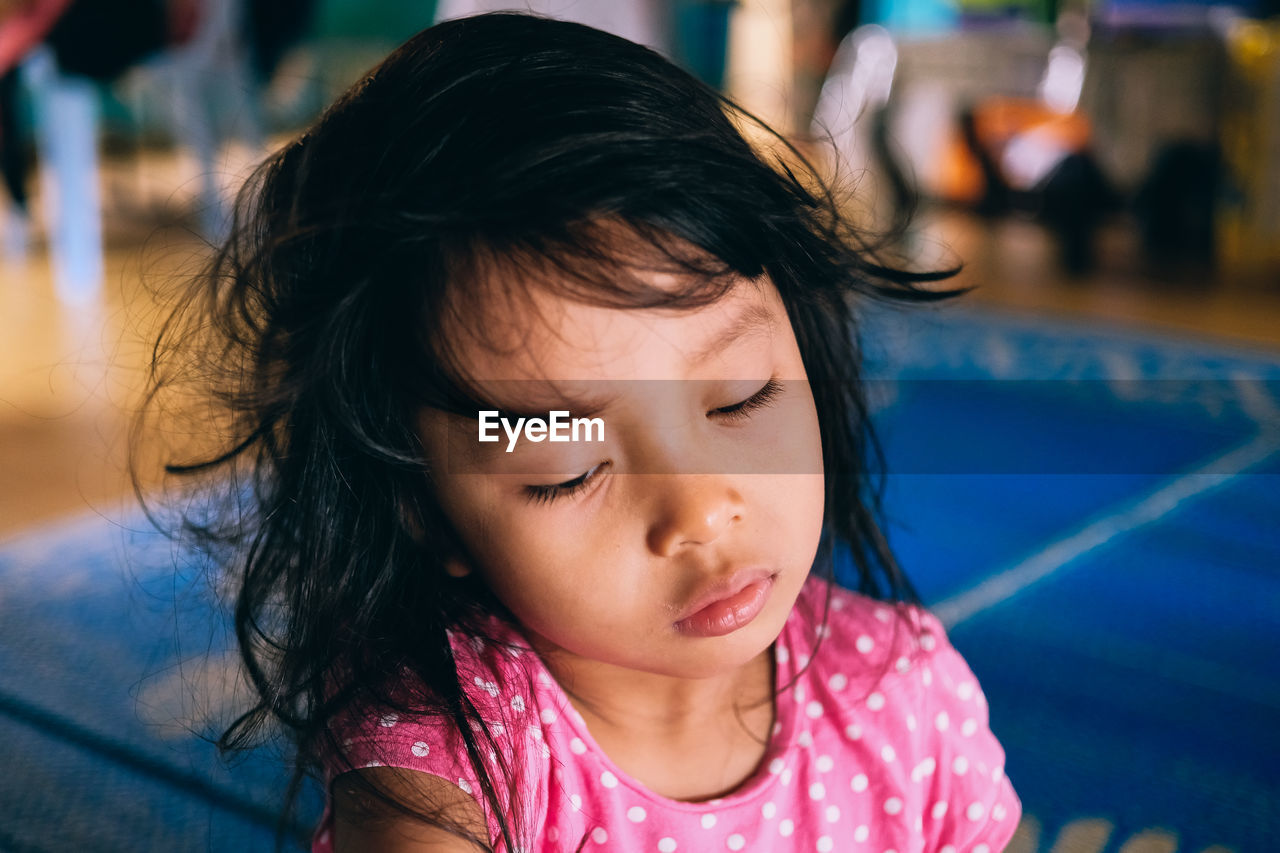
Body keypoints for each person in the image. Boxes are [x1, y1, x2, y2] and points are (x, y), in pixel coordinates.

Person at [142, 12, 1021, 852]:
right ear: (424, 503)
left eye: (741, 398)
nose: (700, 510)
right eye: (567, 467)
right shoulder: (455, 750)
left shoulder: (903, 692)